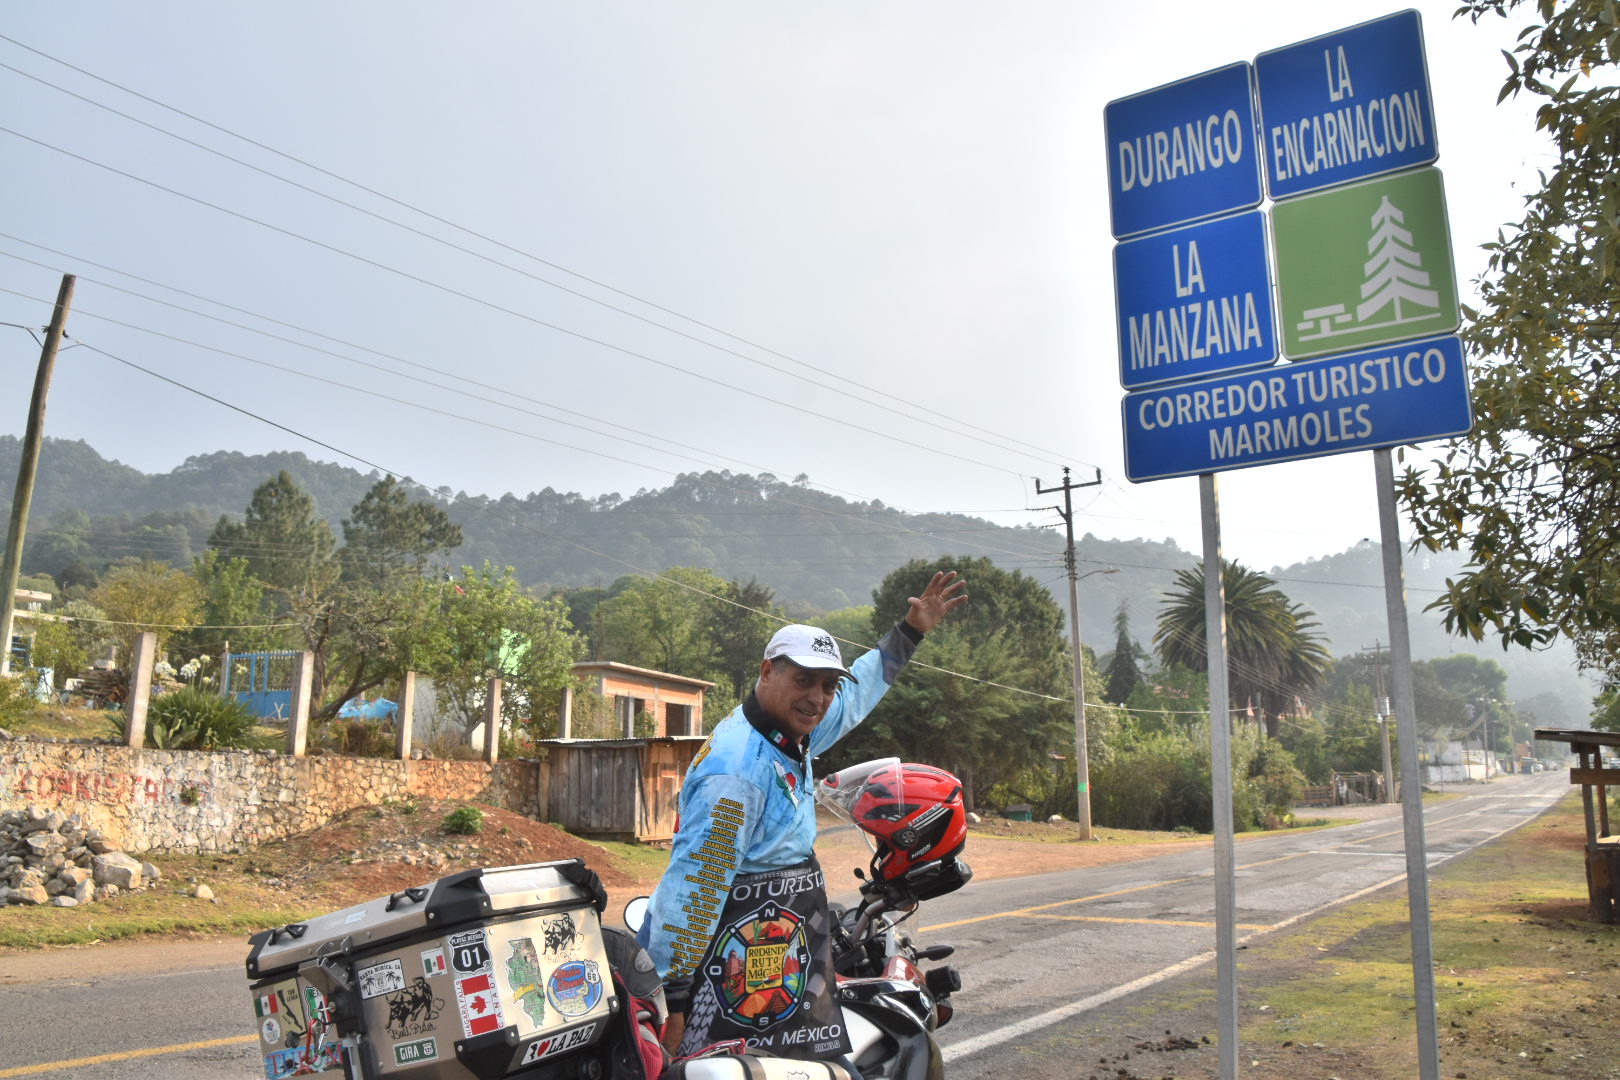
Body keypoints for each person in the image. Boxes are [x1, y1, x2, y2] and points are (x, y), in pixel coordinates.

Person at [639, 570, 967, 1061]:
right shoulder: (739, 773)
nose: (817, 698)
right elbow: (696, 888)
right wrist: (675, 997)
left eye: (827, 684)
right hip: (731, 970)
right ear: (767, 671)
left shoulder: (786, 731)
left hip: (771, 950)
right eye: (803, 681)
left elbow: (855, 699)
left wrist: (909, 632)